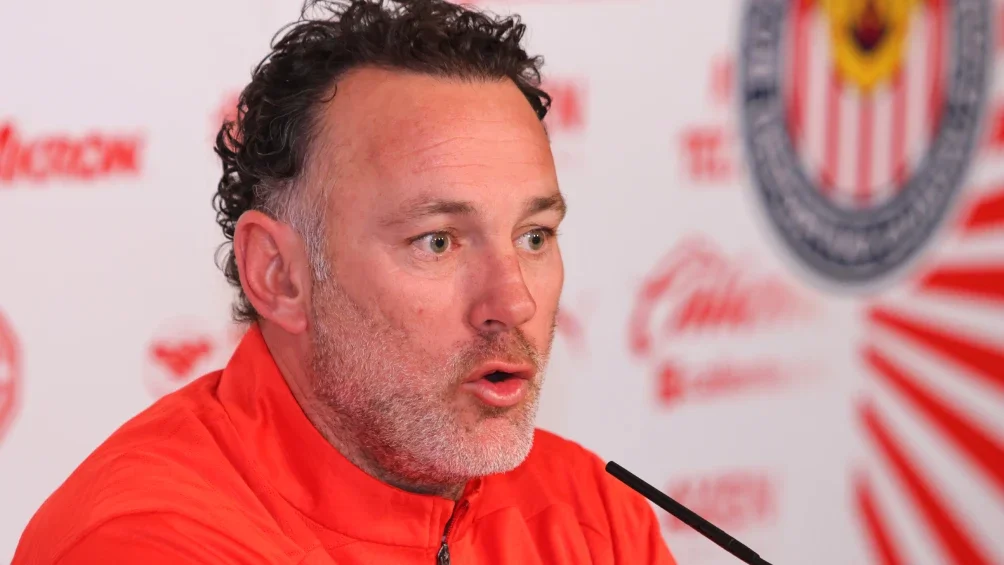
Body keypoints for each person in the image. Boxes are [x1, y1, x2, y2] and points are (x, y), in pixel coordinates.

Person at [13, 0, 676, 562]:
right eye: (438, 241)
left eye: (534, 237)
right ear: (279, 275)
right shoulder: (146, 540)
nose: (514, 301)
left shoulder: (597, 516)